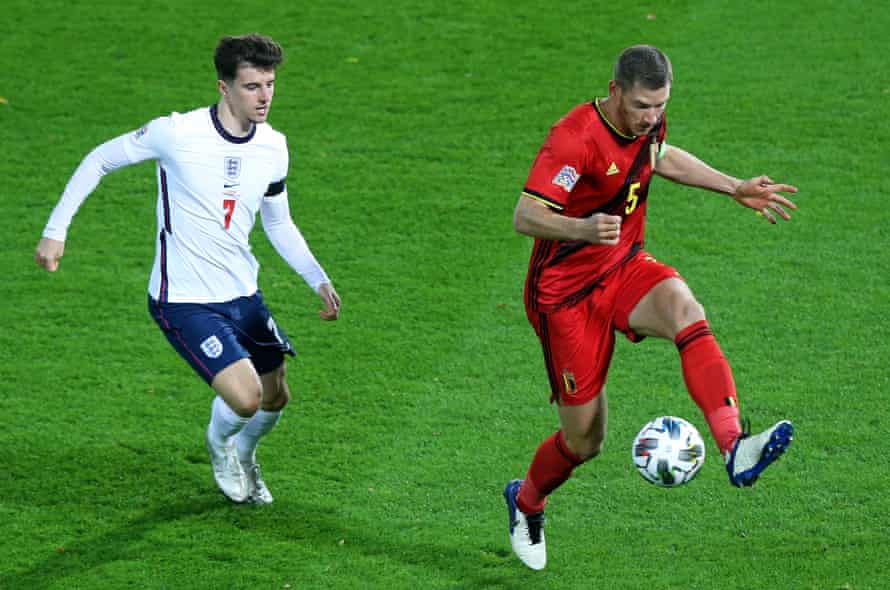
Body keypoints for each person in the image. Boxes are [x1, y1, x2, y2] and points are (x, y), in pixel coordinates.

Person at [503, 45, 797, 570]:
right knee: (585, 440)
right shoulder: (574, 139)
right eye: (642, 106)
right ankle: (526, 502)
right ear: (615, 91)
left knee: (687, 311)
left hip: (624, 266)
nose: (651, 118)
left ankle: (734, 445)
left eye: (660, 107)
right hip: (564, 297)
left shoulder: (648, 124)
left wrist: (733, 187)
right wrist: (582, 228)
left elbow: (659, 155)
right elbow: (525, 215)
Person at [35, 34, 340, 505]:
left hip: (243, 293)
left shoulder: (275, 147)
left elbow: (278, 222)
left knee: (276, 396)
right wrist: (56, 231)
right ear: (224, 87)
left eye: (270, 85)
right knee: (247, 398)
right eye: (252, 86)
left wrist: (316, 277)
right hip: (183, 299)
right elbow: (100, 159)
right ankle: (221, 448)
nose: (264, 97)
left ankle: (245, 452)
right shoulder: (175, 133)